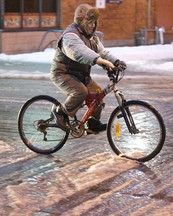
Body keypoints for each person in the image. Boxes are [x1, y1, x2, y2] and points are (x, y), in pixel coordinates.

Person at [50, 3, 126, 133]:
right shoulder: (70, 36)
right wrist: (98, 60)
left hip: (80, 75)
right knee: (81, 92)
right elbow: (80, 52)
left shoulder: (92, 37)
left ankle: (92, 124)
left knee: (97, 95)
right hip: (63, 73)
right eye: (90, 22)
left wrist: (116, 61)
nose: (93, 25)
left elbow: (103, 52)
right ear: (81, 21)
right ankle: (60, 112)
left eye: (94, 22)